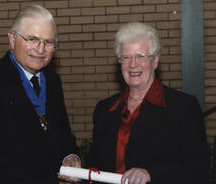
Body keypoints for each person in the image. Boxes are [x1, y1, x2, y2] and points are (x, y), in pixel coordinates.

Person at [0, 5, 81, 184]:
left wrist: (71, 156)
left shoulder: (53, 81)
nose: (41, 49)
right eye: (32, 39)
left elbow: (63, 134)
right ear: (12, 39)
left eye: (48, 42)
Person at [88, 22, 210, 184]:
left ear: (156, 60)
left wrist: (151, 174)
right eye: (126, 57)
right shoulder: (105, 109)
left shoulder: (183, 107)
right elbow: (95, 165)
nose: (133, 65)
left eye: (141, 56)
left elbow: (198, 167)